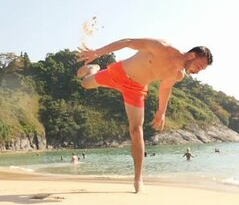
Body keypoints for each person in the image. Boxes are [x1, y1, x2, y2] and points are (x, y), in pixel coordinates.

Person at [77, 38, 212, 193]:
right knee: (85, 83)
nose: (198, 71)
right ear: (191, 56)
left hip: (135, 89)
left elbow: (165, 88)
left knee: (136, 130)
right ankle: (93, 69)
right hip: (119, 73)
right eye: (199, 66)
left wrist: (161, 112)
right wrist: (97, 52)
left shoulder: (178, 74)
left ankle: (138, 179)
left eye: (202, 69)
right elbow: (128, 42)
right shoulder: (161, 47)